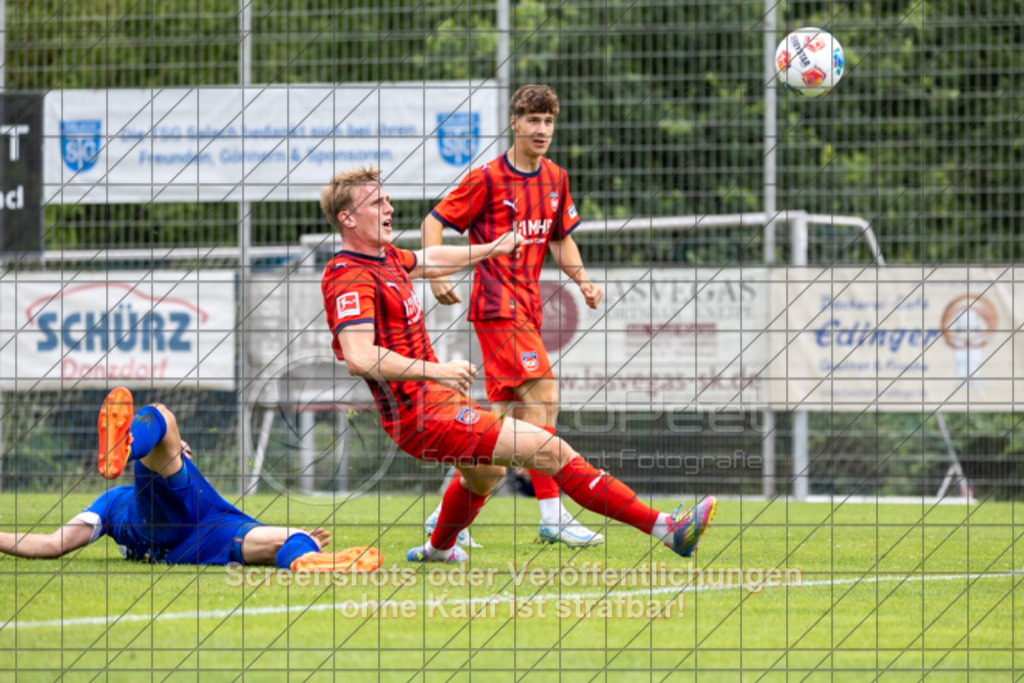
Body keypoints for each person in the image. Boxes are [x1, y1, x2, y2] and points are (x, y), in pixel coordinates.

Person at [320, 167, 716, 563]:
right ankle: (667, 528)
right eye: (377, 202)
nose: (389, 208)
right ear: (347, 218)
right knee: (551, 450)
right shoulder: (348, 276)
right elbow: (360, 356)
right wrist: (437, 371)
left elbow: (429, 258)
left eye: (388, 199)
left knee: (486, 474)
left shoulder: (386, 258)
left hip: (438, 401)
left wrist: (491, 248)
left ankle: (438, 549)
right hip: (420, 415)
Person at [421, 84, 605, 548]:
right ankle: (552, 515)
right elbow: (433, 221)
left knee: (501, 425)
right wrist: (436, 274)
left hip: (527, 309)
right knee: (544, 397)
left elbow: (560, 238)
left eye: (548, 121)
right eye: (533, 120)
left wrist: (583, 280)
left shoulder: (556, 178)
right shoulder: (487, 178)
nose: (541, 129)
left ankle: (443, 519)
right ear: (514, 123)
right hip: (497, 308)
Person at [0, 387, 379, 572]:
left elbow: (52, 544)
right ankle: (303, 550)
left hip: (190, 537)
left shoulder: (114, 502)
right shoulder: (124, 497)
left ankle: (310, 559)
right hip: (199, 528)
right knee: (160, 415)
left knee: (291, 538)